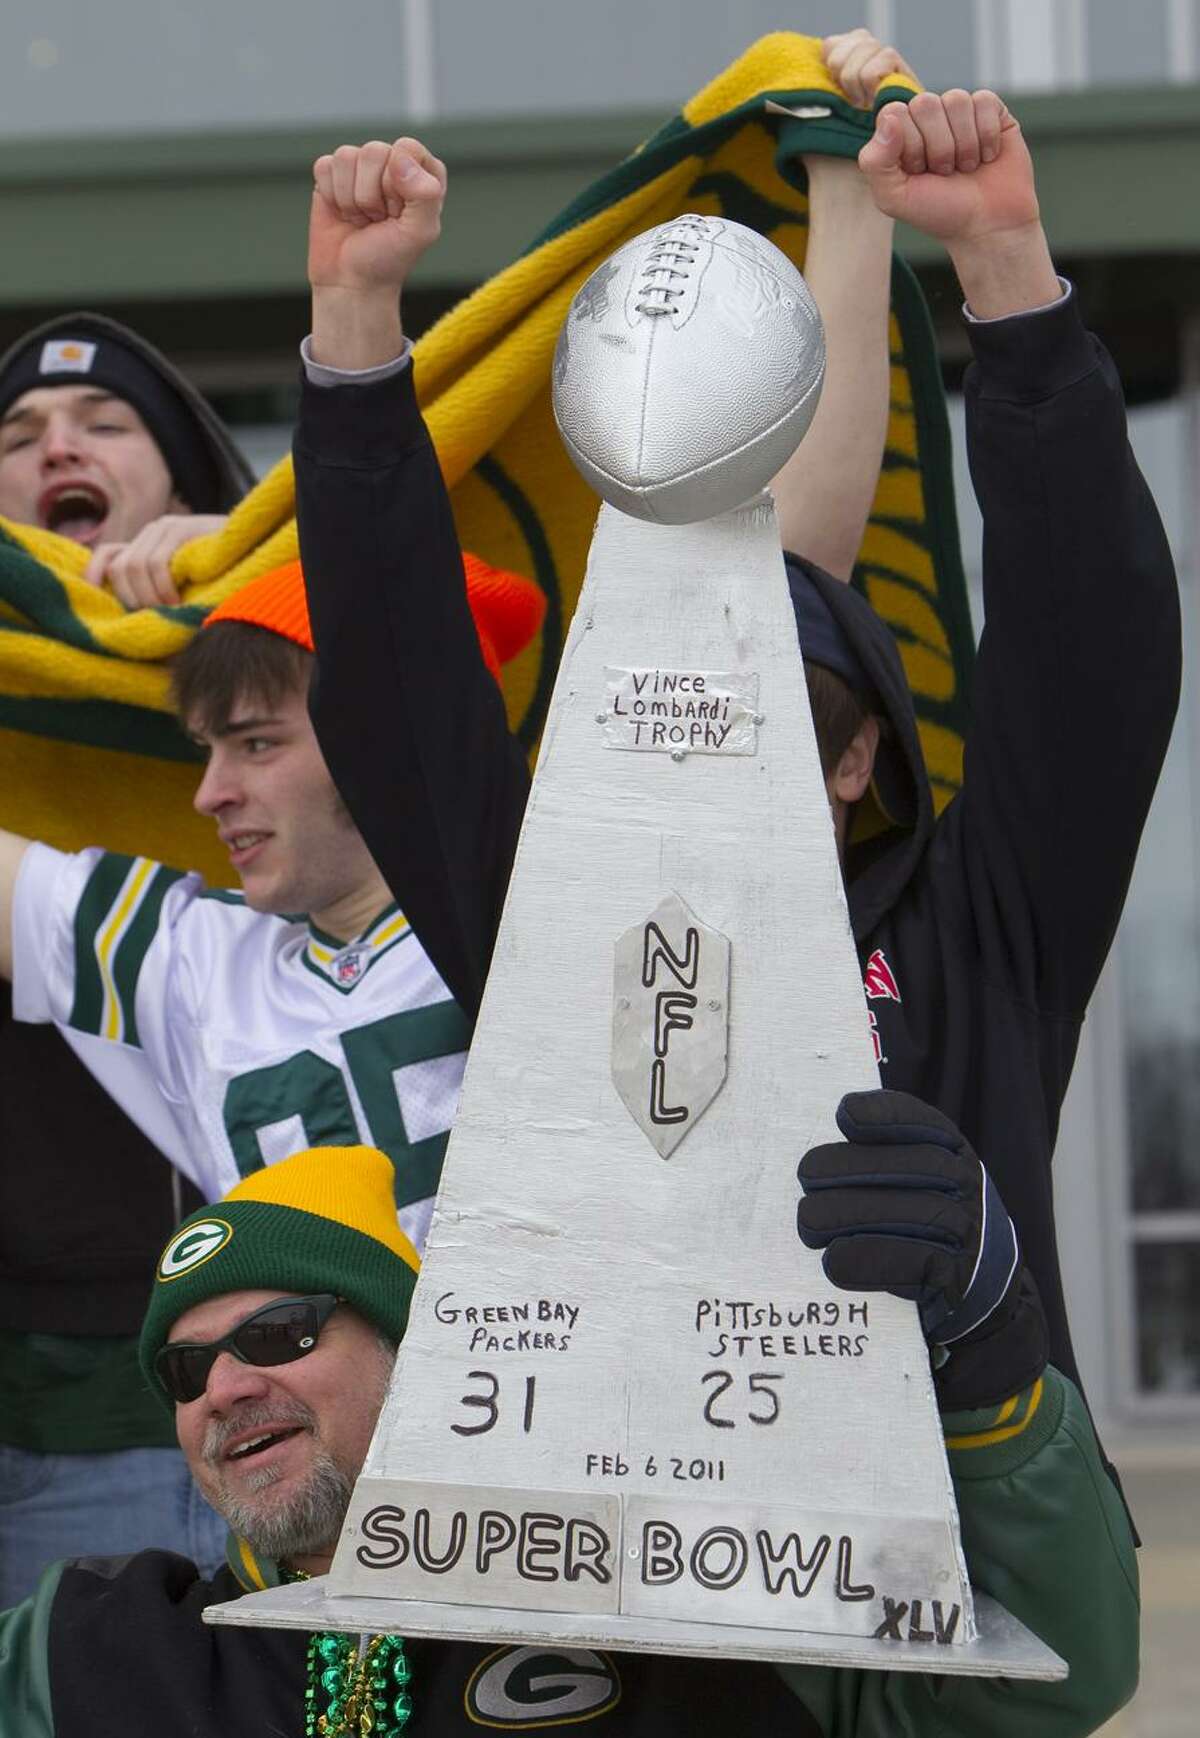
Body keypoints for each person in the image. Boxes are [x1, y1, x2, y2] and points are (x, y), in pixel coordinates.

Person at [289, 74, 1179, 1446]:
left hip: (934, 1566)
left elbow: (1089, 648)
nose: (699, 729)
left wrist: (1005, 268)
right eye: (661, 700)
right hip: (639, 1577)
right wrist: (353, 339)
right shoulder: (555, 925)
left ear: (858, 756)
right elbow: (400, 692)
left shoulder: (982, 928)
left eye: (757, 705)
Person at [0, 1096, 1139, 1736]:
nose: (224, 1387)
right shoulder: (92, 1651)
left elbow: (1043, 1687)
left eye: (279, 1334)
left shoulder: (674, 1599)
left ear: (418, 1351)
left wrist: (991, 1366)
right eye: (186, 1369)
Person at [0, 553, 541, 1258]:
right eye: (208, 750)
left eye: (257, 742)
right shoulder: (197, 955)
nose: (209, 794)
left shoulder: (548, 914)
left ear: (393, 738)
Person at [0, 313, 256, 1599]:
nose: (59, 446)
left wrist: (233, 578)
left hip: (168, 1393)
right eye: (21, 436)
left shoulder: (276, 672)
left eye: (104, 426)